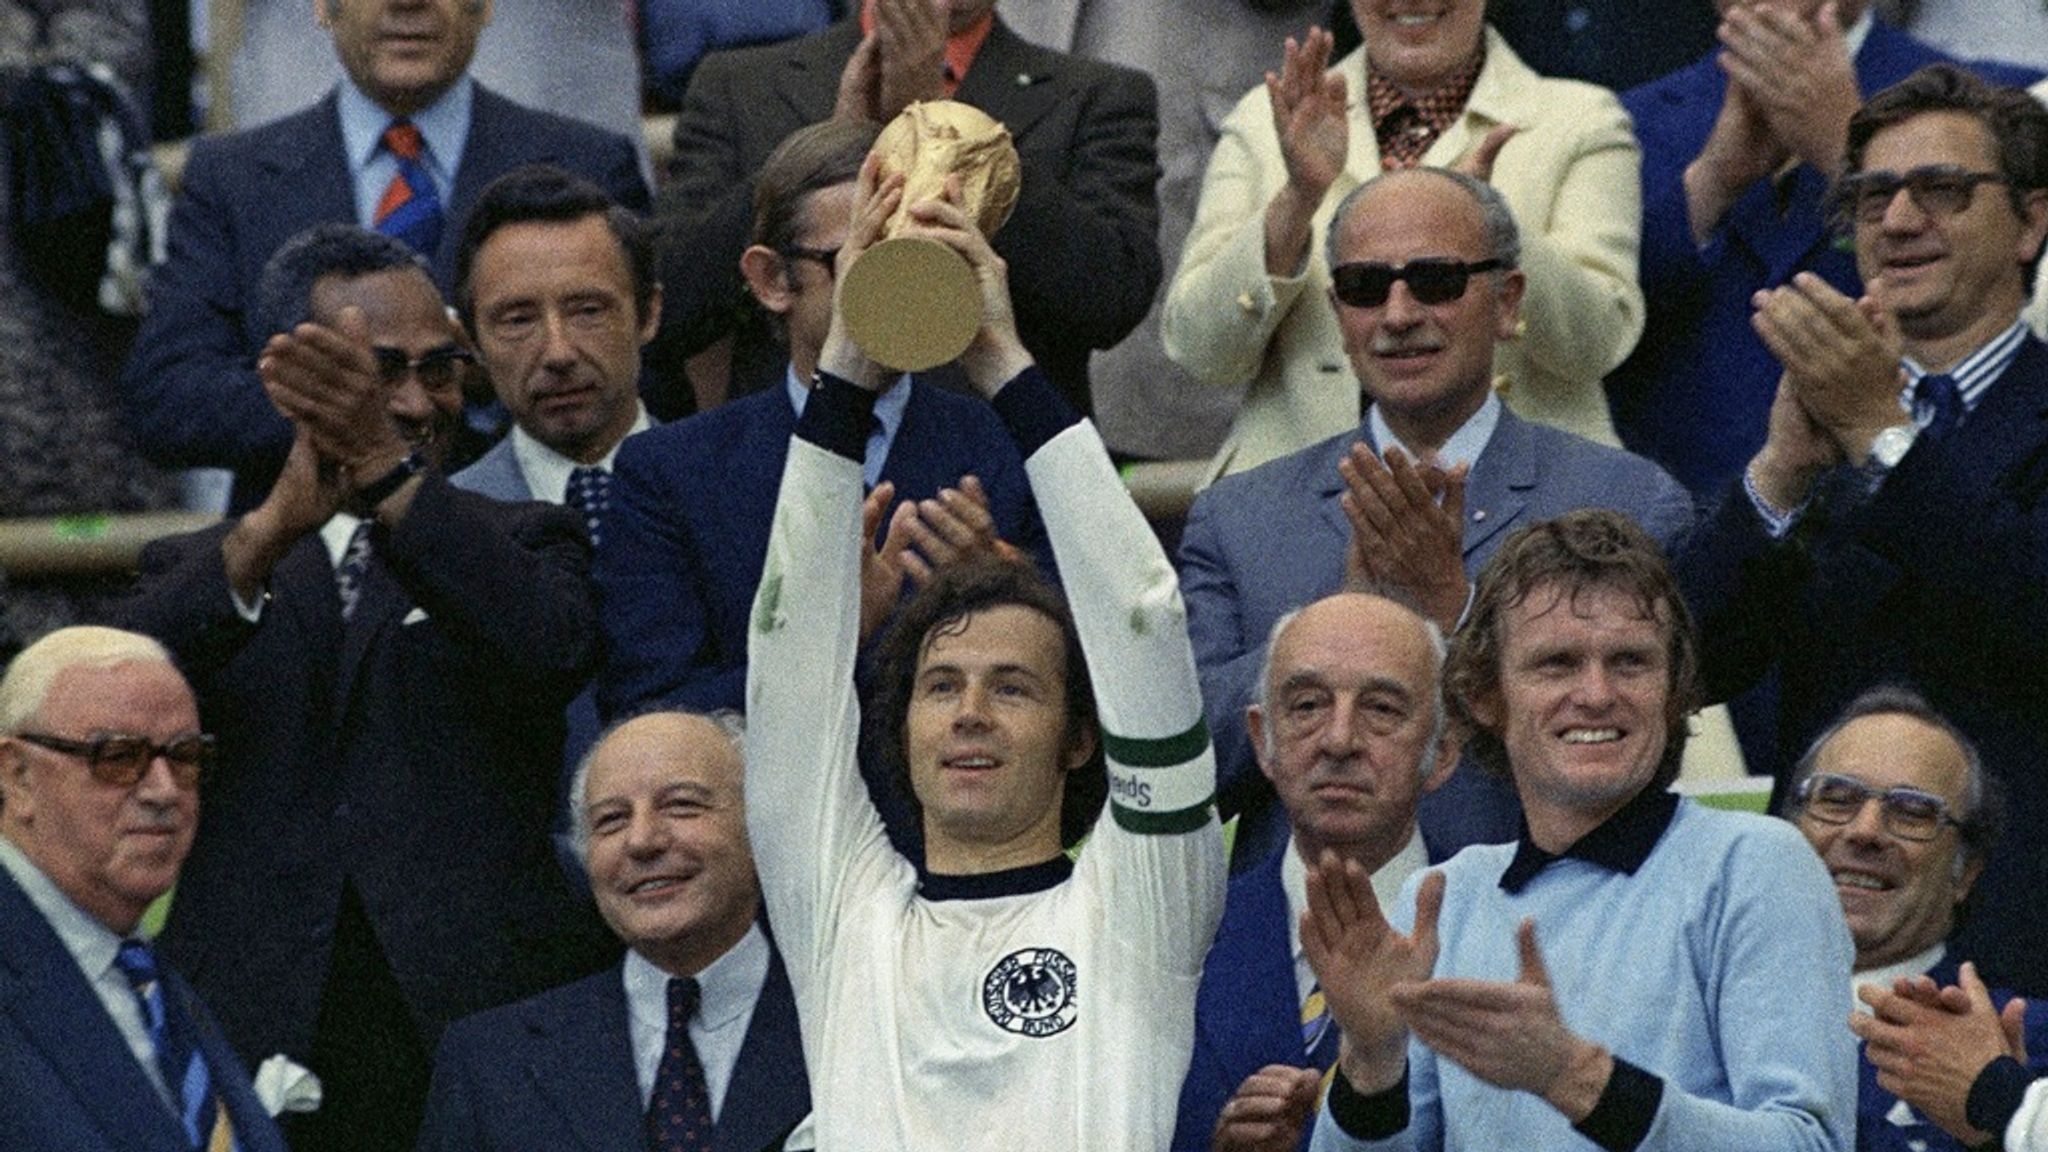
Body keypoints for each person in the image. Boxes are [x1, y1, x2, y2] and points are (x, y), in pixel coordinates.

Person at [743, 158, 1224, 1148]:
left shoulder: (1140, 910)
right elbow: (788, 648)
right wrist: (842, 375)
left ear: (1079, 740)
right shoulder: (841, 909)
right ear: (900, 723)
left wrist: (1004, 361)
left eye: (1012, 688)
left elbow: (1141, 616)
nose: (968, 713)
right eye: (940, 686)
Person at [116, 225, 605, 1152]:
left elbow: (548, 651)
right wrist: (264, 538)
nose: (418, 403)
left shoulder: (524, 537)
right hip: (250, 1028)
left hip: (475, 1029)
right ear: (288, 381)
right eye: (380, 373)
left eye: (440, 369)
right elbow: (109, 691)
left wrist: (388, 476)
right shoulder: (201, 566)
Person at [1179, 167, 1693, 867]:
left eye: (1436, 281)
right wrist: (1345, 618)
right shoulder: (1239, 516)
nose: (1397, 315)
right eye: (1365, 287)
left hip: (1546, 932)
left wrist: (1463, 616)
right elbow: (1184, 776)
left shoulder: (1627, 502)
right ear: (1338, 314)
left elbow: (1640, 757)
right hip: (1308, 938)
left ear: (1508, 301)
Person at [1301, 509, 1855, 1152]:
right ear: (1485, 695)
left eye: (1630, 662)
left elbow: (1810, 1144)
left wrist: (1572, 1075)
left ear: (1674, 691)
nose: (1596, 694)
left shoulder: (1756, 865)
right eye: (1557, 663)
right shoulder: (1443, 897)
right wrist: (1372, 1063)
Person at [1677, 64, 2048, 995]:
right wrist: (1779, 478)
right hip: (1811, 945)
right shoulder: (1815, 409)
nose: (1899, 220)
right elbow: (1692, 665)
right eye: (1874, 194)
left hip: (2022, 941)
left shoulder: (1859, 408)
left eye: (1944, 190)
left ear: (2032, 224)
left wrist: (1884, 436)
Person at [598, 119, 1045, 726]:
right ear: (772, 280)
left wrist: (998, 589)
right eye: (859, 260)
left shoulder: (1008, 442)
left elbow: (1101, 661)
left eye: (917, 253)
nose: (898, 283)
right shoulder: (672, 473)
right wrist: (826, 647)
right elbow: (651, 714)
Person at [121, 0, 649, 511]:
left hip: (535, 552)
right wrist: (357, 397)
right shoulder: (232, 177)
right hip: (307, 572)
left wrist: (499, 371)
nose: (407, 2)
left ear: (485, 4)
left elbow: (652, 371)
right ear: (324, 6)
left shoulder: (589, 164)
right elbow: (169, 398)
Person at [1163, 0, 1643, 479]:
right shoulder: (1266, 119)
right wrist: (1298, 197)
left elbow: (1599, 344)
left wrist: (1487, 219)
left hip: (1527, 509)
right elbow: (1201, 353)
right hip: (1296, 497)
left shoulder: (1580, 118)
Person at [1611, 0, 2039, 498]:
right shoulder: (1625, 120)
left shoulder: (2005, 100)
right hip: (1679, 512)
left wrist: (1848, 150)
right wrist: (1712, 182)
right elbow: (1595, 338)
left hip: (1929, 507)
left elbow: (2019, 286)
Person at [650, 0, 1160, 416]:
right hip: (791, 457)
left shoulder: (1097, 94)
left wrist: (946, 131)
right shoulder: (742, 85)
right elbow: (669, 305)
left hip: (1001, 467)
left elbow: (1111, 300)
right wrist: (826, 146)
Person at [416, 711, 810, 1152]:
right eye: (611, 820)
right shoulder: (489, 1061)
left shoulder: (857, 1021)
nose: (642, 840)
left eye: (682, 805)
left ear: (762, 825)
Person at [1175, 593, 1459, 1152]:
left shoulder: (1501, 933)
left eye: (1381, 709)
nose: (1339, 740)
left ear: (1442, 751)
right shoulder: (1180, 939)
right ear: (1262, 741)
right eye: (1307, 706)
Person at [0, 626, 287, 1152]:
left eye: (184, 757)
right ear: (17, 776)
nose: (163, 790)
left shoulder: (146, 974)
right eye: (117, 757)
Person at [449, 164, 659, 802]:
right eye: (517, 319)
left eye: (588, 309)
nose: (559, 350)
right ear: (472, 342)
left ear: (649, 314)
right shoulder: (446, 527)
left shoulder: (740, 489)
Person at [1782, 686, 2048, 1151]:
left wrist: (1997, 1114)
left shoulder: (2025, 1041)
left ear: (1965, 873)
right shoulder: (1693, 1015)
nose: (1864, 831)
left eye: (1913, 811)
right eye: (1837, 798)